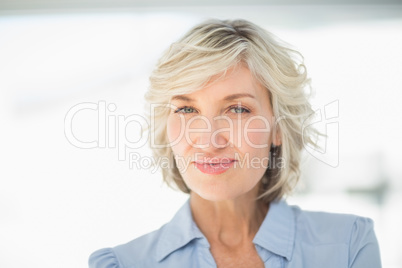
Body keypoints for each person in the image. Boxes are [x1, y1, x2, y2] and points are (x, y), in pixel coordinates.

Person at [89, 19, 382, 268]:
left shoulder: (348, 247)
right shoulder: (123, 264)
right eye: (187, 110)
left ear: (278, 129)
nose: (209, 139)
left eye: (237, 110)